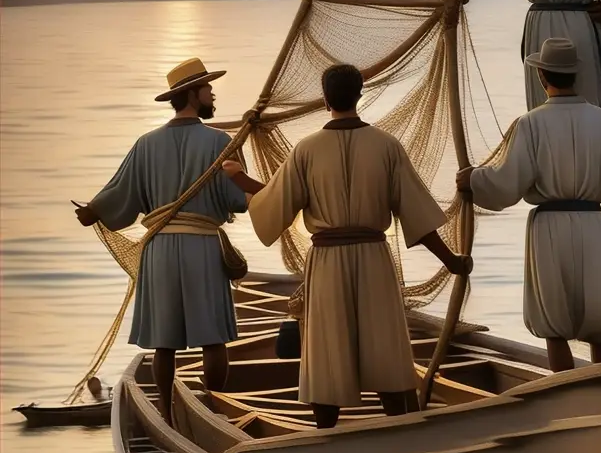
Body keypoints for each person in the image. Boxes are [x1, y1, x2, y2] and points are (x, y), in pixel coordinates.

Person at [222, 64, 473, 429]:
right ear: (360, 94)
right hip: (374, 260)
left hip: (327, 263)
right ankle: (403, 439)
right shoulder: (387, 146)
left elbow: (277, 203)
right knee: (386, 350)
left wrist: (238, 177)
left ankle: (326, 438)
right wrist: (451, 261)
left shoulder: (306, 150)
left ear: (324, 100)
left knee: (326, 357)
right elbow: (417, 215)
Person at [456, 38, 601, 373]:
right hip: (592, 224)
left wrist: (472, 180)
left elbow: (507, 183)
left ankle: (566, 398)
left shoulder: (530, 123)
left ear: (541, 76)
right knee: (600, 327)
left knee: (553, 326)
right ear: (574, 75)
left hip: (548, 228)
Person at [74, 58, 248, 423]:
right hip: (201, 245)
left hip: (160, 250)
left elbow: (120, 193)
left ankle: (166, 415)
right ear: (192, 94)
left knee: (163, 342)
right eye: (207, 87)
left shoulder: (146, 143)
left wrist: (92, 211)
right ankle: (215, 410)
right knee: (213, 338)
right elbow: (239, 202)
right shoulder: (220, 142)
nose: (213, 92)